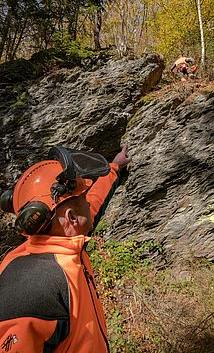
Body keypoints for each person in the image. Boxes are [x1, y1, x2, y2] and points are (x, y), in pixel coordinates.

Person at [0, 144, 131, 353]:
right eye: (83, 199)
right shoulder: (31, 287)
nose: (88, 204)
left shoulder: (60, 243)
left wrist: (114, 167)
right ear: (71, 218)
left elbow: (93, 205)